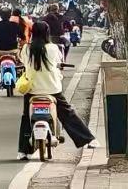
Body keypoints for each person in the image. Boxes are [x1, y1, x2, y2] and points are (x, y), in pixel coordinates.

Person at [17, 19, 96, 161]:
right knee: (67, 114)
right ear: (47, 33)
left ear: (33, 33)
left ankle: (23, 151)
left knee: (26, 118)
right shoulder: (53, 48)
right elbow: (59, 62)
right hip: (52, 89)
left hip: (32, 91)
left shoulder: (26, 49)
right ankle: (88, 140)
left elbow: (23, 61)